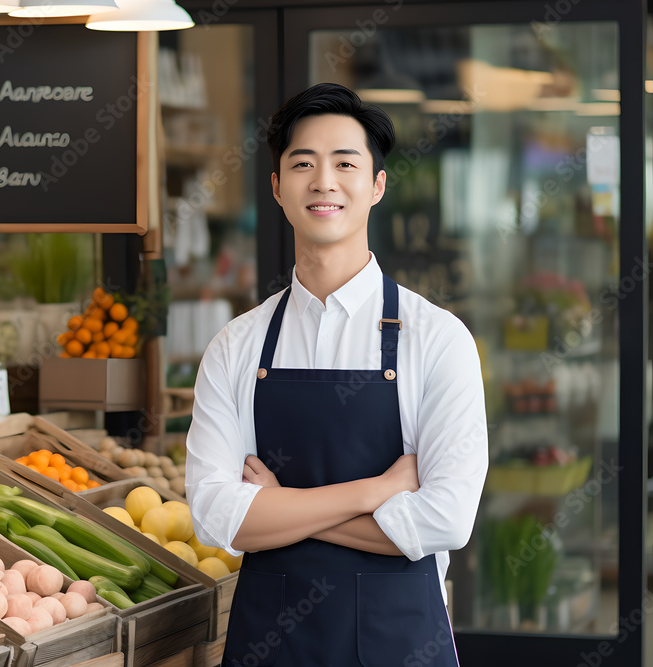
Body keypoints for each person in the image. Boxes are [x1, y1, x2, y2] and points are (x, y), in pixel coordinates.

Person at [185, 83, 488, 666]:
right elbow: (217, 516)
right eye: (302, 164)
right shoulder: (236, 346)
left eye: (345, 163)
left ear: (376, 185)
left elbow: (446, 518)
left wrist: (280, 508)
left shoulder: (437, 339)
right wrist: (375, 493)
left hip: (400, 643)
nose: (323, 181)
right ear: (277, 187)